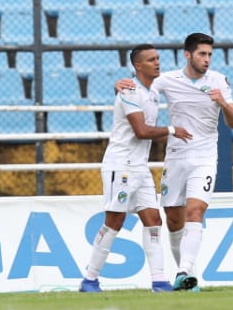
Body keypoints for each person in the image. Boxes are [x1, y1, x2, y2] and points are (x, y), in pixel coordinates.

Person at [125, 33, 233, 292]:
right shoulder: (168, 80)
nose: (207, 59)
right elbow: (140, 89)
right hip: (176, 158)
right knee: (174, 221)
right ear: (187, 54)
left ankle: (185, 270)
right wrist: (121, 85)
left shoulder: (218, 81)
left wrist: (223, 103)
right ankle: (188, 278)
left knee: (195, 213)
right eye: (202, 54)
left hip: (205, 158)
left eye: (209, 54)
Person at [79, 44, 193, 294]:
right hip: (120, 165)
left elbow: (183, 78)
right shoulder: (130, 92)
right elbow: (141, 132)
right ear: (138, 66)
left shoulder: (152, 91)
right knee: (114, 221)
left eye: (158, 58)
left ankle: (159, 281)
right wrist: (173, 130)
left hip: (139, 167)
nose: (157, 63)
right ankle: (89, 279)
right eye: (151, 60)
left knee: (153, 219)